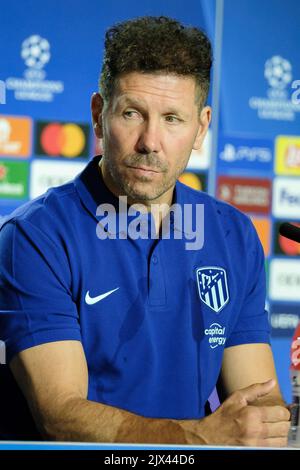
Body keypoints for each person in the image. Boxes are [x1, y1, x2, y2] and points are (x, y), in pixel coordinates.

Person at [0, 16, 290, 446]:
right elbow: (60, 415)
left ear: (202, 127)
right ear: (99, 115)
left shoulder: (234, 235)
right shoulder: (34, 238)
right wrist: (198, 439)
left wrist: (261, 426)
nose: (151, 141)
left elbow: (260, 403)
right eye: (133, 113)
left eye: (173, 119)